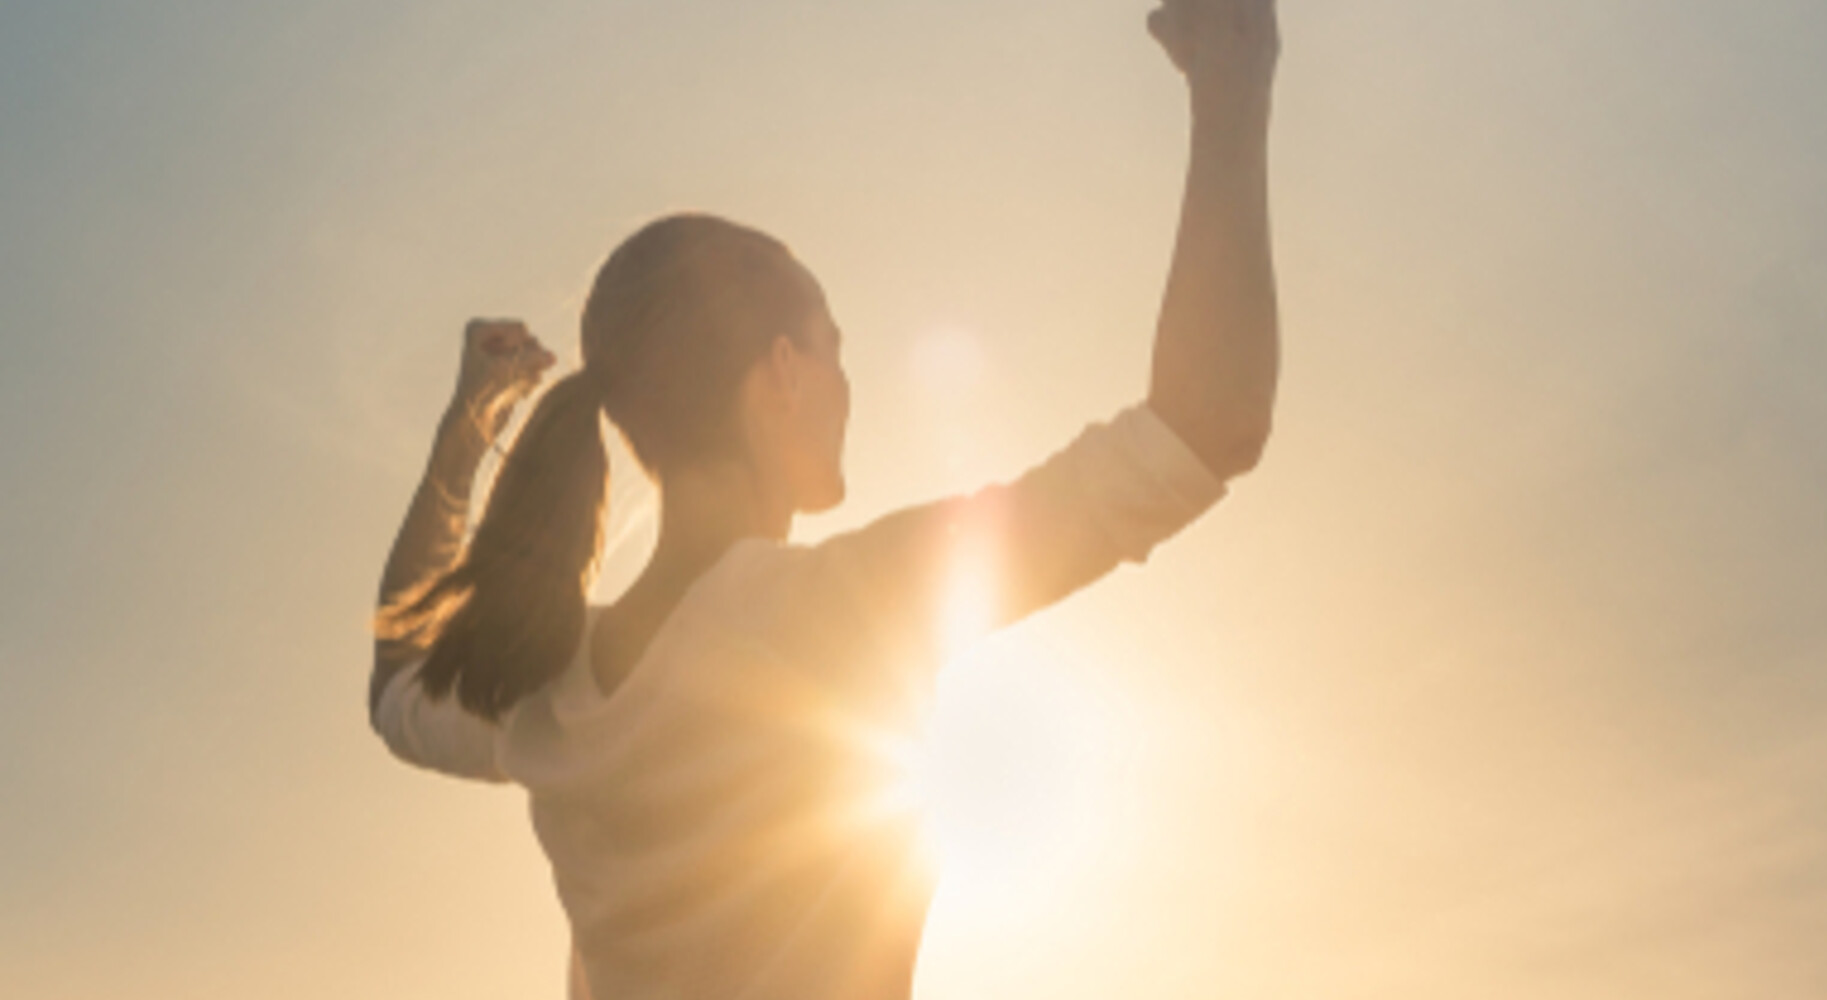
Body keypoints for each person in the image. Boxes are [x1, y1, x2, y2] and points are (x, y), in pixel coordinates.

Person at [366, 1, 1277, 997]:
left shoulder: (543, 685)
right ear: (784, 371)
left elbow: (394, 683)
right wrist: (1233, 87)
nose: (850, 384)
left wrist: (467, 425)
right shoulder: (839, 608)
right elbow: (1205, 426)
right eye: (835, 348)